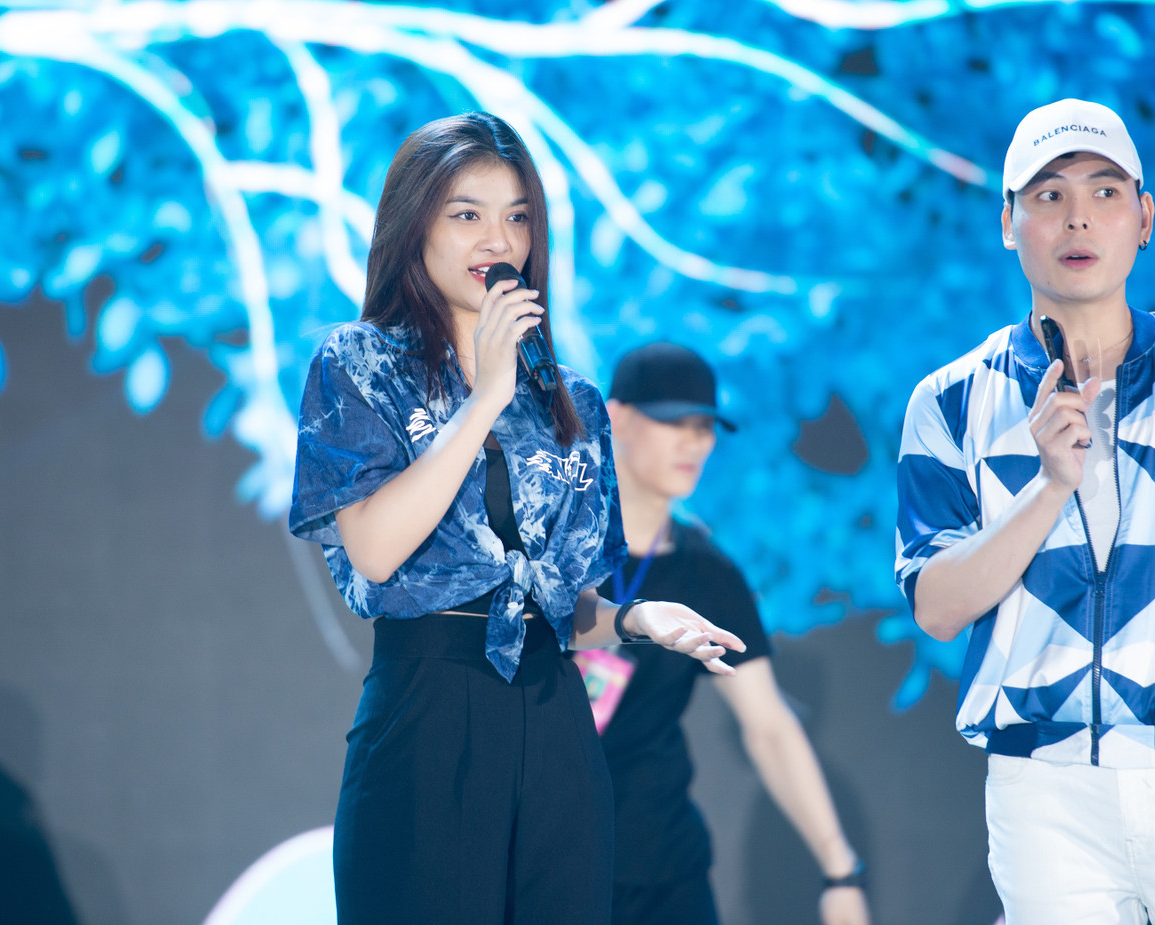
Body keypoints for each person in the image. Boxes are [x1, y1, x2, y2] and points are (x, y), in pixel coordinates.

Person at [288, 113, 745, 925]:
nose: (497, 240)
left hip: (555, 720)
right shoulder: (358, 364)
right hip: (427, 714)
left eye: (517, 216)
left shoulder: (574, 401)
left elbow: (561, 602)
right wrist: (487, 394)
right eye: (467, 214)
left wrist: (635, 618)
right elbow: (376, 550)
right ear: (415, 224)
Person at [895, 98, 1155, 924]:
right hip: (1043, 792)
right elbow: (938, 606)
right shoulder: (949, 401)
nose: (1078, 218)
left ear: (1145, 217)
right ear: (1008, 222)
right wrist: (1048, 486)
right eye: (1048, 195)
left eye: (1103, 192)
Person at [580, 342, 870, 925]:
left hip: (663, 864)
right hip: (546, 860)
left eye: (705, 427)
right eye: (673, 422)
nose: (694, 444)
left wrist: (840, 872)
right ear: (617, 418)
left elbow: (768, 725)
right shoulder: (557, 544)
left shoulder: (708, 573)